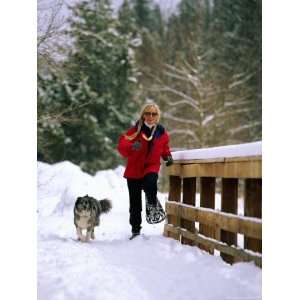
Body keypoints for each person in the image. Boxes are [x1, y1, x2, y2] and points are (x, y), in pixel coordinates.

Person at [117, 103, 173, 239]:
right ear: (143, 115)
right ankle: (135, 230)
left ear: (157, 116)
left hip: (151, 166)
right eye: (147, 113)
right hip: (134, 169)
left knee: (150, 184)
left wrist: (167, 156)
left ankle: (153, 206)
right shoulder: (135, 130)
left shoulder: (162, 133)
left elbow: (164, 148)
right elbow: (122, 146)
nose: (150, 116)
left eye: (154, 114)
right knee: (135, 203)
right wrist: (132, 146)